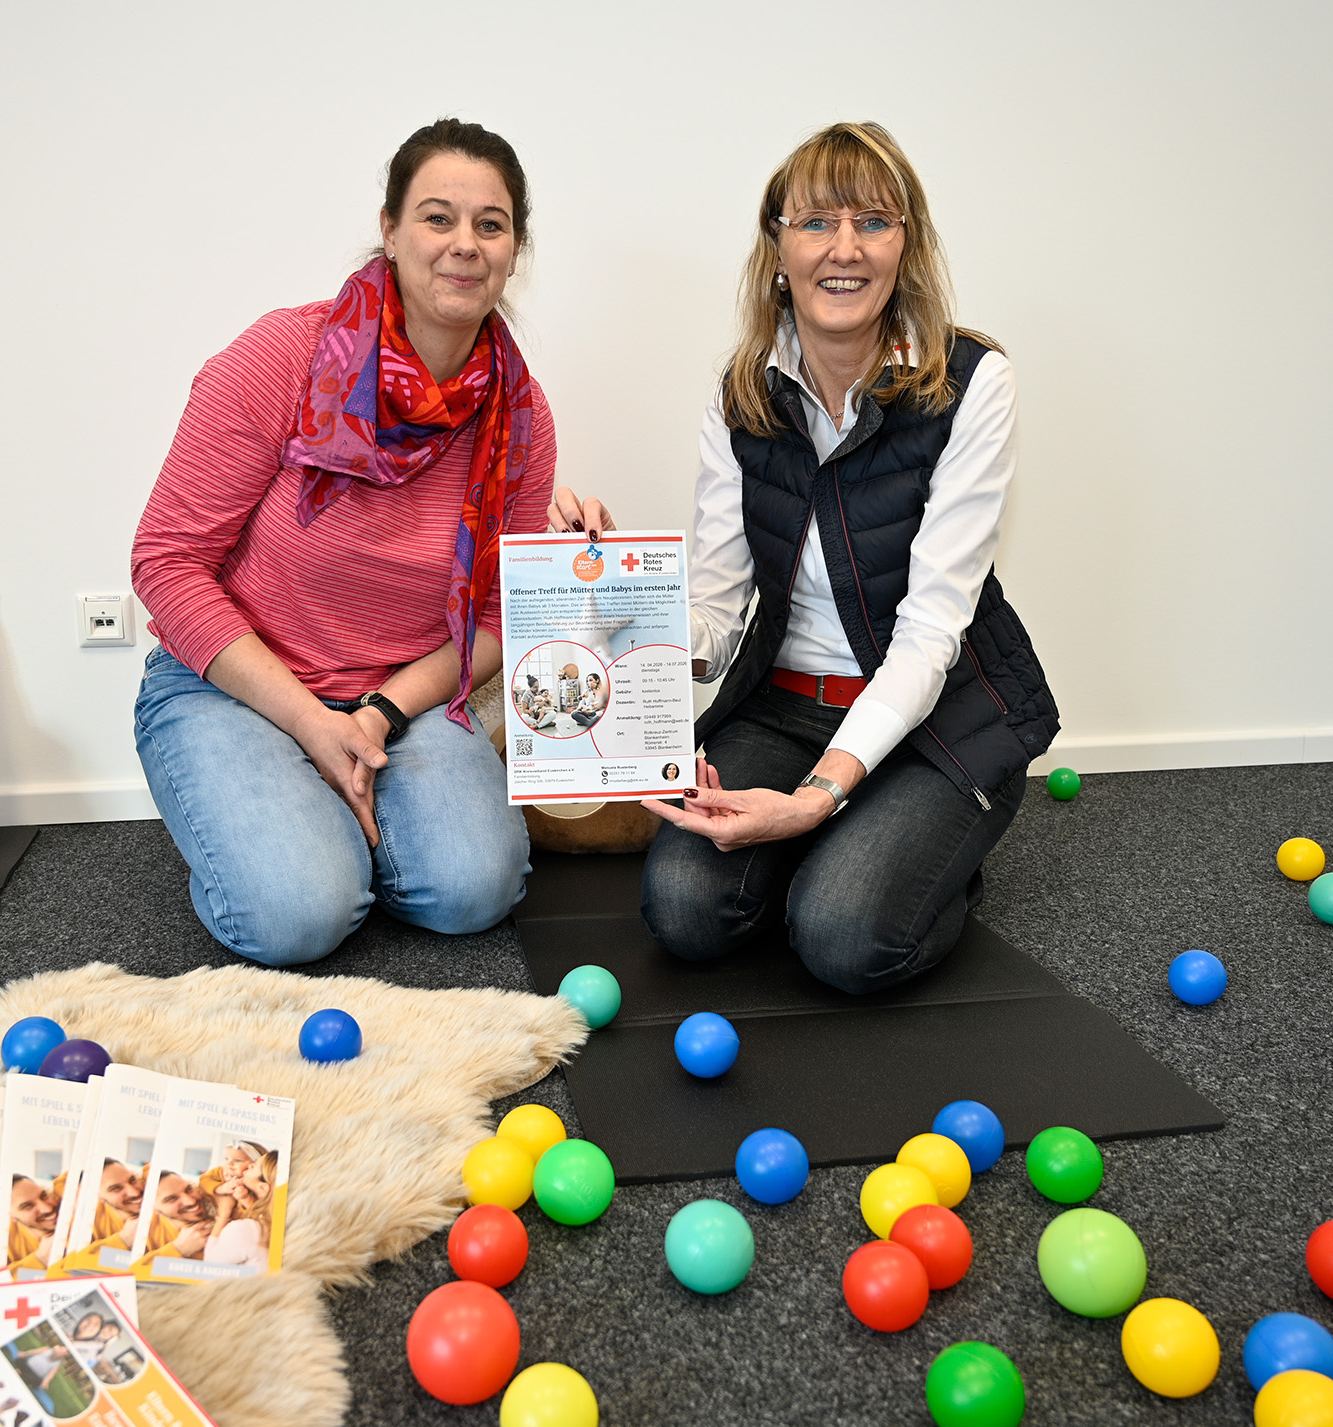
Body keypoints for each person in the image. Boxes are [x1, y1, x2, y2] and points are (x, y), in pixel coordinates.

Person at [556, 123, 1056, 995]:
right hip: (784, 710)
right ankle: (846, 843)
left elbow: (932, 632)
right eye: (817, 221)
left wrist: (815, 799)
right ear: (777, 247)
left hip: (938, 717)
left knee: (841, 938)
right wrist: (606, 593)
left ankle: (911, 846)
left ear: (909, 245)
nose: (846, 248)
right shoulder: (741, 393)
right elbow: (714, 620)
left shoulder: (973, 383)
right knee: (683, 913)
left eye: (875, 220)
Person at [131, 118, 555, 967]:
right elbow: (166, 561)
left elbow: (502, 616)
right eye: (438, 218)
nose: (464, 245)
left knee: (477, 891)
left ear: (514, 250)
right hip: (239, 690)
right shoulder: (281, 357)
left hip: (405, 699)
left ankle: (335, 822)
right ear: (391, 230)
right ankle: (296, 824)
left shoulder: (521, 414)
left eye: (490, 224)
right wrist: (310, 727)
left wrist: (379, 716)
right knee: (297, 918)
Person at [204, 1149, 280, 1267]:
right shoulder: (274, 1222)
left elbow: (209, 1263)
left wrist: (224, 1213)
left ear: (263, 1188)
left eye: (253, 1167)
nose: (249, 1165)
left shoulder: (247, 1229)